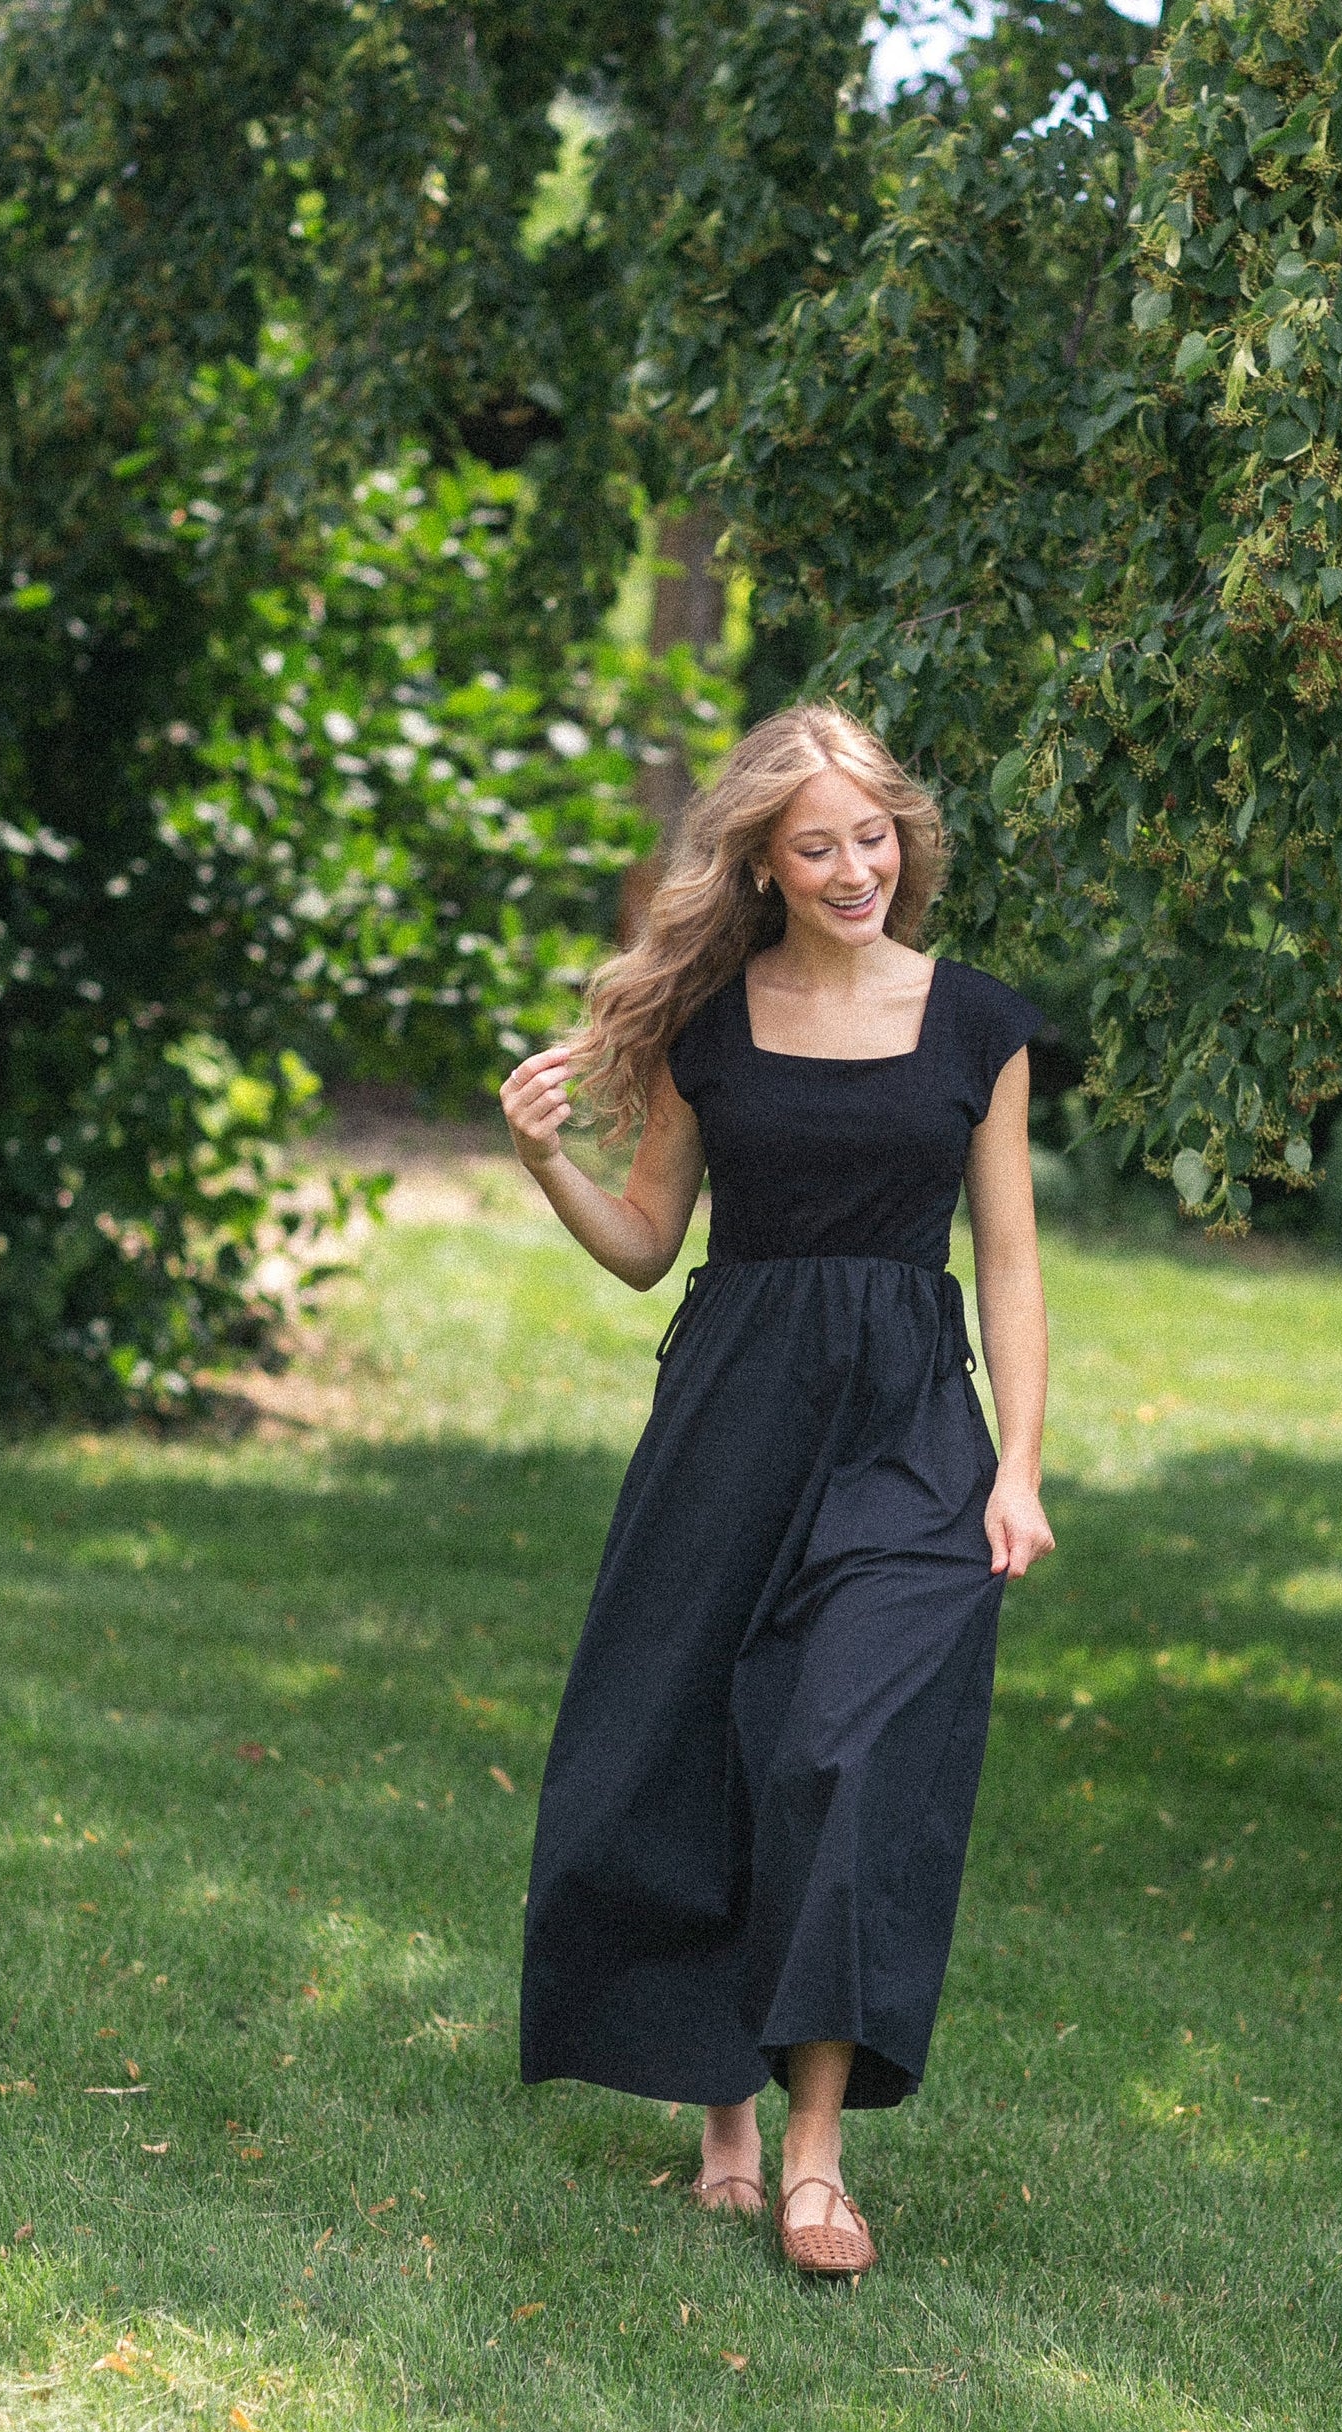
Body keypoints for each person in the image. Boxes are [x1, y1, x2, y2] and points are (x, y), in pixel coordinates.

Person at [500, 701, 1054, 2278]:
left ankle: (818, 2156)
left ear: (903, 842)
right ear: (762, 864)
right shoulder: (713, 1026)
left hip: (908, 1431)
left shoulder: (976, 1025)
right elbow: (644, 1245)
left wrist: (1017, 1464)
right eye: (817, 847)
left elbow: (1008, 1259)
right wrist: (547, 1160)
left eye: (872, 837)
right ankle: (723, 2121)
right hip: (732, 1419)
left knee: (840, 1753)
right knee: (704, 1751)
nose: (853, 868)